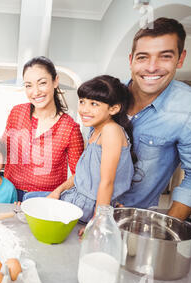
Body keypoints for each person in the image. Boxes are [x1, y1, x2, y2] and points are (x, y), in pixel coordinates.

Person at [117, 17, 191, 220]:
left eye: (165, 56)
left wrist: (166, 230)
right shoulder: (109, 95)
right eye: (143, 57)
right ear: (131, 60)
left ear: (180, 58)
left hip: (133, 221)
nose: (152, 67)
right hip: (84, 209)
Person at [24, 75, 137, 227]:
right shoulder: (94, 130)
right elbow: (82, 175)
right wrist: (58, 191)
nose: (84, 109)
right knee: (29, 198)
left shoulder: (111, 130)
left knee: (30, 204)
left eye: (94, 104)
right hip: (76, 196)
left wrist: (97, 224)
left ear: (114, 108)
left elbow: (107, 182)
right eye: (82, 101)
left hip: (90, 207)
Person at [2, 56, 84, 202]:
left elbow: (79, 174)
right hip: (10, 194)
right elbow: (3, 151)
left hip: (45, 199)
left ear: (55, 81)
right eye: (28, 85)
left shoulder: (70, 128)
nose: (35, 92)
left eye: (42, 83)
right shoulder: (16, 112)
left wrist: (57, 192)